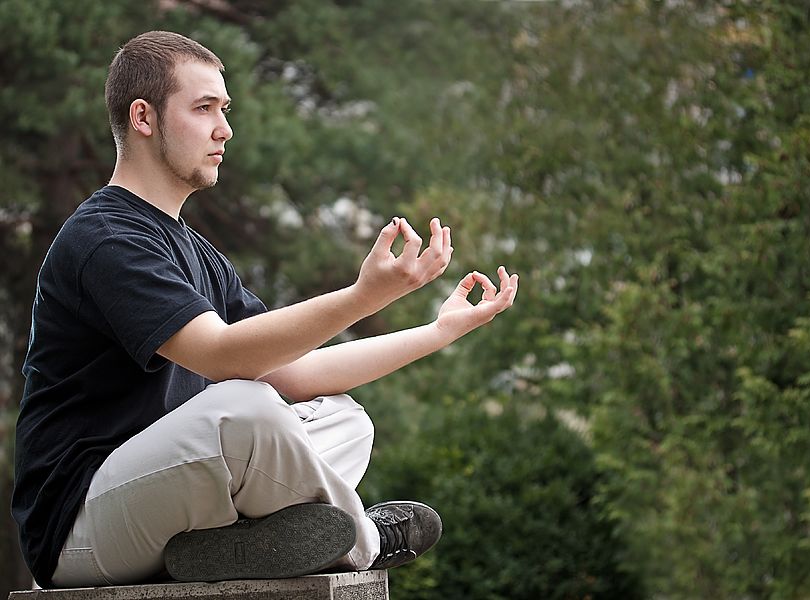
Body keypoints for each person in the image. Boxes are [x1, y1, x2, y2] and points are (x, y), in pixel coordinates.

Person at [11, 30, 519, 589]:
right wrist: (363, 295)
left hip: (170, 509)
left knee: (345, 419)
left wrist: (436, 331)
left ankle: (231, 548)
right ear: (143, 117)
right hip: (80, 529)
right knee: (243, 406)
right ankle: (365, 539)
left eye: (224, 110)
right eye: (203, 108)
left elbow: (295, 374)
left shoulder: (197, 251)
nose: (224, 129)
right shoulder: (106, 237)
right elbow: (222, 356)